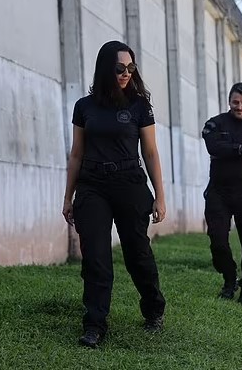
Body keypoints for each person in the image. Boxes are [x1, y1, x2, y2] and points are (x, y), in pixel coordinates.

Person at [62, 40, 166, 348]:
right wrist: (68, 197)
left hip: (129, 183)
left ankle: (153, 310)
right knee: (95, 256)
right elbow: (76, 154)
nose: (126, 74)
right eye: (120, 68)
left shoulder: (138, 107)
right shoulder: (84, 107)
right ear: (106, 68)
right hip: (92, 185)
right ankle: (94, 324)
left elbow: (150, 152)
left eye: (131, 68)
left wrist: (160, 195)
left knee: (137, 253)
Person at [201, 82, 242, 308]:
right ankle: (229, 280)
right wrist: (241, 149)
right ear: (229, 101)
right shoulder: (214, 123)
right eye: (236, 102)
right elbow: (213, 146)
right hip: (218, 191)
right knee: (218, 241)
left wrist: (229, 146)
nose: (240, 107)